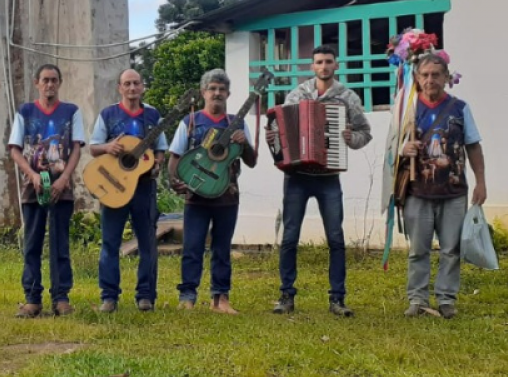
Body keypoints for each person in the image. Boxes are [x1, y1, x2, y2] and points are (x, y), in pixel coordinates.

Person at [268, 45, 372, 316]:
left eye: (328, 61)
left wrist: (351, 139)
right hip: (297, 177)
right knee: (290, 237)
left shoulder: (347, 97)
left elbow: (364, 133)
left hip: (329, 177)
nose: (323, 66)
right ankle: (286, 296)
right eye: (318, 62)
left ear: (335, 65)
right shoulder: (297, 94)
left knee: (336, 238)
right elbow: (279, 128)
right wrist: (275, 141)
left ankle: (337, 298)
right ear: (312, 66)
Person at [401, 53, 485, 319]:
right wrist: (405, 148)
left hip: (453, 192)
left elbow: (473, 146)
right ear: (416, 78)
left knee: (451, 249)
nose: (430, 80)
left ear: (446, 78)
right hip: (418, 192)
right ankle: (417, 299)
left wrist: (481, 182)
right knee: (418, 250)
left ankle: (446, 299)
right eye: (424, 75)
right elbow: (392, 149)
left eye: (436, 75)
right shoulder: (407, 110)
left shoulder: (460, 108)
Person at [168, 69, 257, 314]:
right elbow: (175, 156)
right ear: (203, 92)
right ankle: (187, 296)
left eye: (221, 89)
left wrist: (244, 143)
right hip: (196, 195)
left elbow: (251, 160)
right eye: (212, 88)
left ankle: (220, 299)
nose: (216, 93)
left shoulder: (237, 123)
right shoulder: (190, 122)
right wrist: (175, 181)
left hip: (227, 195)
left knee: (222, 248)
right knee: (192, 247)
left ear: (228, 93)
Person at [8, 64, 85, 317]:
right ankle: (32, 298)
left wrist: (64, 178)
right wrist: (31, 175)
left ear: (59, 83)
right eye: (45, 80)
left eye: (54, 80)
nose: (49, 85)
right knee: (32, 243)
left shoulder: (71, 111)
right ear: (36, 83)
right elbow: (15, 149)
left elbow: (76, 148)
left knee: (60, 244)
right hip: (33, 188)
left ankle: (61, 298)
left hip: (61, 187)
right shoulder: (26, 111)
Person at [90, 69, 166, 313]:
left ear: (143, 87)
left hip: (144, 187)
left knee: (147, 243)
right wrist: (108, 147)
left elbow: (161, 148)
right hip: (114, 186)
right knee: (110, 243)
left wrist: (158, 162)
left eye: (136, 83)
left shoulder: (153, 115)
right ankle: (109, 297)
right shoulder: (108, 114)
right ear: (119, 88)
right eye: (127, 84)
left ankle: (145, 296)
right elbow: (93, 148)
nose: (132, 88)